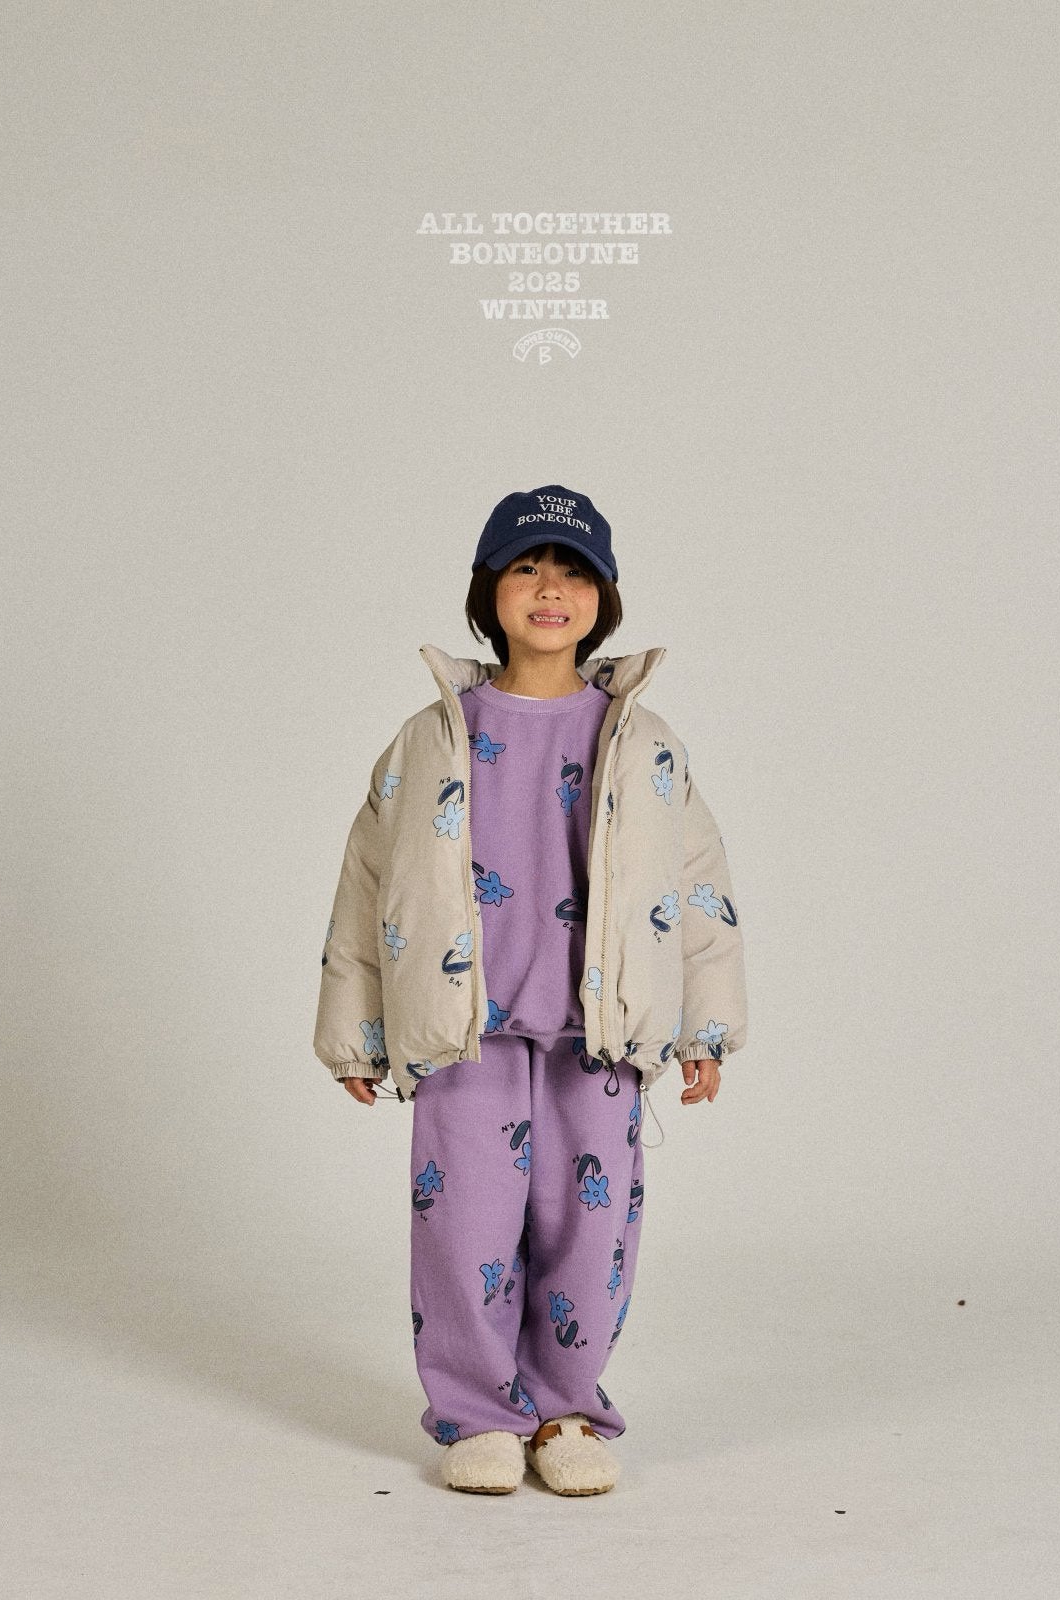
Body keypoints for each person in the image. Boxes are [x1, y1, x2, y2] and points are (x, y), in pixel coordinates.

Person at [313, 484, 747, 1495]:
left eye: (572, 571)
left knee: (586, 1229)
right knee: (463, 1225)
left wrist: (704, 1027)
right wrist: (355, 1030)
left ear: (603, 597)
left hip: (601, 1031)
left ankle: (562, 1409)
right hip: (464, 1030)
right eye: (525, 567)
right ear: (489, 591)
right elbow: (370, 881)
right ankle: (478, 1413)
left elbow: (697, 883)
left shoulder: (644, 741)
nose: (549, 589)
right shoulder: (431, 736)